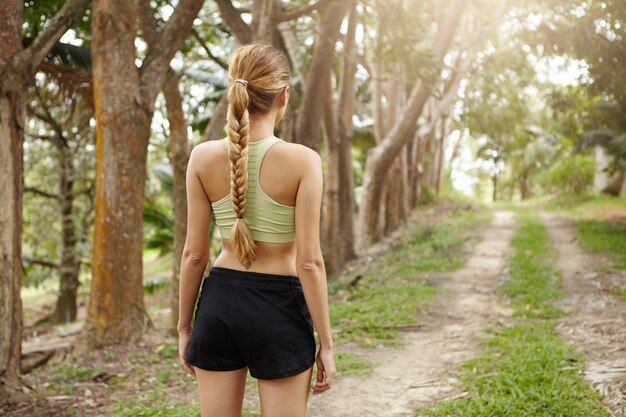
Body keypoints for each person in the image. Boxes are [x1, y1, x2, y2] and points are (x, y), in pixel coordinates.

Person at [177, 42, 336, 417]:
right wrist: (326, 343)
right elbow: (310, 263)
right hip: (278, 307)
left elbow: (194, 255)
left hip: (218, 304)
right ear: (284, 96)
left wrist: (185, 327)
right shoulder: (303, 161)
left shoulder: (201, 157)